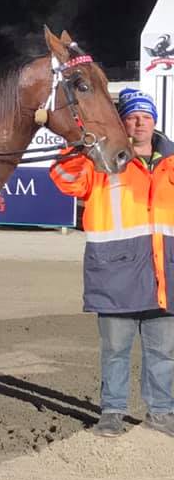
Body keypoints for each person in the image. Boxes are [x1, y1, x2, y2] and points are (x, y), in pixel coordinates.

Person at [50, 88, 174, 438]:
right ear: (122, 123)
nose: (139, 123)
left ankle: (161, 413)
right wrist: (76, 146)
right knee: (116, 351)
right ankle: (112, 413)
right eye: (132, 117)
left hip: (165, 275)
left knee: (163, 352)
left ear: (154, 122)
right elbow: (66, 181)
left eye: (145, 117)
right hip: (116, 275)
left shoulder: (171, 163)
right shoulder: (102, 161)